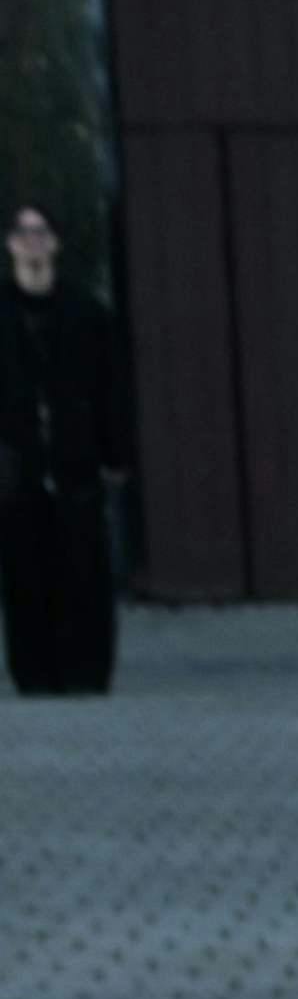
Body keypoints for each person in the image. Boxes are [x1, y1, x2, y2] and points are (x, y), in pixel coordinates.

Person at [1, 200, 132, 700]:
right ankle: (34, 674)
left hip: (77, 460)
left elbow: (112, 388)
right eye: (24, 232)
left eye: (41, 232)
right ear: (10, 244)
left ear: (54, 244)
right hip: (18, 467)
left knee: (85, 570)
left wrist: (115, 453)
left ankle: (87, 672)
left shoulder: (86, 314)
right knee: (24, 571)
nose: (33, 241)